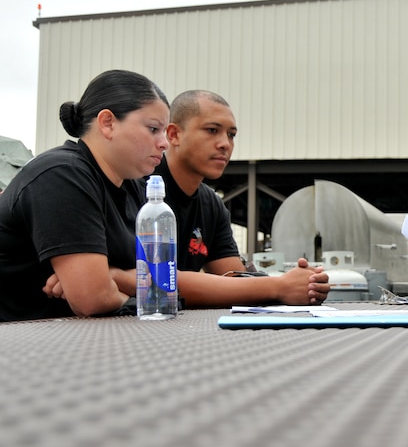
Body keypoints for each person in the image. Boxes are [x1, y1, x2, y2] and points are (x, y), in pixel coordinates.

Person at [0, 69, 169, 321]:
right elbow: (93, 298)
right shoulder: (62, 175)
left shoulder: (132, 186)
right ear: (108, 123)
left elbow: (164, 278)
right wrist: (141, 296)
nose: (164, 142)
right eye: (154, 128)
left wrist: (115, 279)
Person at [154, 90, 329, 307]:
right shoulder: (140, 187)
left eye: (231, 134)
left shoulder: (211, 204)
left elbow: (233, 279)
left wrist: (304, 283)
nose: (225, 144)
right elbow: (147, 280)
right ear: (173, 135)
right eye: (212, 130)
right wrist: (279, 287)